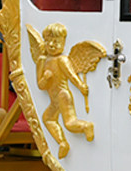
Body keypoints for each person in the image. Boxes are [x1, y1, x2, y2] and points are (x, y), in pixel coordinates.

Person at [35, 23, 93, 158]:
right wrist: (45, 78)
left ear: (63, 42)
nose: (51, 45)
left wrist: (80, 86)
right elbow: (41, 85)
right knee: (48, 119)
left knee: (69, 123)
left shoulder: (62, 60)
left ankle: (86, 127)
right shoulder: (42, 61)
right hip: (54, 99)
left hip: (62, 95)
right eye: (48, 41)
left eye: (56, 42)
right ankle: (63, 143)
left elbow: (71, 76)